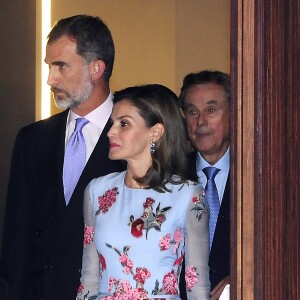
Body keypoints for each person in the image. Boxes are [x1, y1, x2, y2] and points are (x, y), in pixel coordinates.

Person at [0, 15, 125, 300]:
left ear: (96, 68)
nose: (50, 79)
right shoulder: (32, 139)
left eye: (61, 66)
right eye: (49, 66)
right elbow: (16, 243)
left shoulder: (137, 137)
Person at [76, 84, 210, 299]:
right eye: (113, 123)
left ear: (155, 132)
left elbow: (197, 283)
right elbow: (89, 277)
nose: (111, 132)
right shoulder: (97, 191)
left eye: (124, 124)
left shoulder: (188, 194)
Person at [178, 70, 230, 296]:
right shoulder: (170, 176)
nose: (200, 121)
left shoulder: (258, 177)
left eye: (211, 110)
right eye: (192, 112)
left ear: (233, 113)